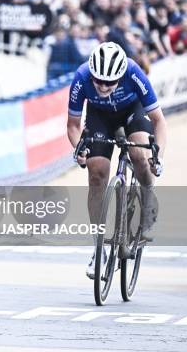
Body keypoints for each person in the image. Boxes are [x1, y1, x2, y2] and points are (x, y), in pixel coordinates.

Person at [66, 42, 167, 279]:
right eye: (98, 81)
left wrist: (158, 157)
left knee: (139, 154)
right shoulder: (81, 77)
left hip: (132, 111)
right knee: (96, 172)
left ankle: (148, 194)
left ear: (120, 76)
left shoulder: (133, 72)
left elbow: (159, 122)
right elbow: (72, 125)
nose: (102, 86)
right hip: (99, 117)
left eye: (109, 82)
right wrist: (78, 149)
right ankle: (98, 249)